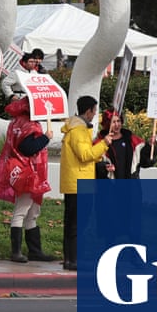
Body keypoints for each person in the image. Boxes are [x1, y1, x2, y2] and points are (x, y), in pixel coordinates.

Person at [0, 95, 54, 263]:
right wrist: (46, 138)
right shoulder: (30, 125)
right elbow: (27, 148)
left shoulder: (17, 122)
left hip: (21, 170)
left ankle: (34, 251)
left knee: (33, 211)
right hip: (28, 173)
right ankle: (17, 252)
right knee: (22, 210)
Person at [59, 96, 107, 271]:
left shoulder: (77, 129)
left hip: (76, 180)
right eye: (94, 111)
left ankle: (70, 258)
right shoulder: (78, 132)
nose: (95, 115)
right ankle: (73, 259)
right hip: (79, 181)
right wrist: (104, 144)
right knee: (78, 223)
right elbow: (85, 155)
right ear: (88, 111)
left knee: (73, 222)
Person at [98, 108, 155, 245]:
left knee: (134, 221)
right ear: (106, 124)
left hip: (131, 187)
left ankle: (135, 253)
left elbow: (145, 162)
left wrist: (152, 147)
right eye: (113, 122)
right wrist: (104, 168)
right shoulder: (100, 142)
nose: (116, 125)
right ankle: (110, 250)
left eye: (118, 121)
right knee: (111, 220)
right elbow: (93, 165)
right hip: (111, 189)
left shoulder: (133, 141)